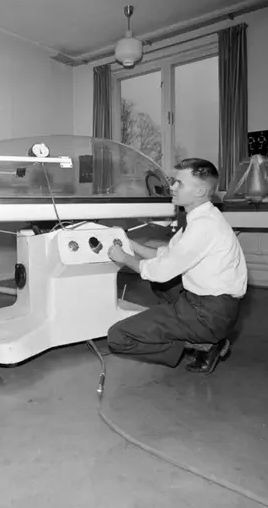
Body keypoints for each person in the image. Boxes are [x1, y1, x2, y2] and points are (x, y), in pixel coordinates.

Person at [106, 158, 248, 374]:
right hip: (212, 306)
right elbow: (166, 256)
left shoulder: (204, 226)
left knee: (118, 337)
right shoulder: (201, 217)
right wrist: (129, 243)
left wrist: (124, 259)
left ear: (200, 191)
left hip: (208, 313)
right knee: (162, 285)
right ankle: (198, 335)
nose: (172, 187)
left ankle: (203, 345)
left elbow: (160, 271)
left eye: (179, 183)